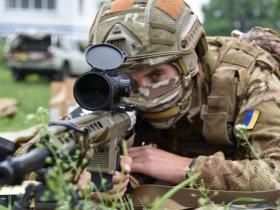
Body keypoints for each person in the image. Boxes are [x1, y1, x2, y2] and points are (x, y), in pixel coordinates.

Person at [80, 0, 280, 208]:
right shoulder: (108, 92)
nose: (144, 95)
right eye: (127, 80)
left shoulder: (251, 80)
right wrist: (92, 177)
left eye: (156, 75)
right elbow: (69, 142)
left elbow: (276, 172)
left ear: (189, 64)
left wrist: (188, 169)